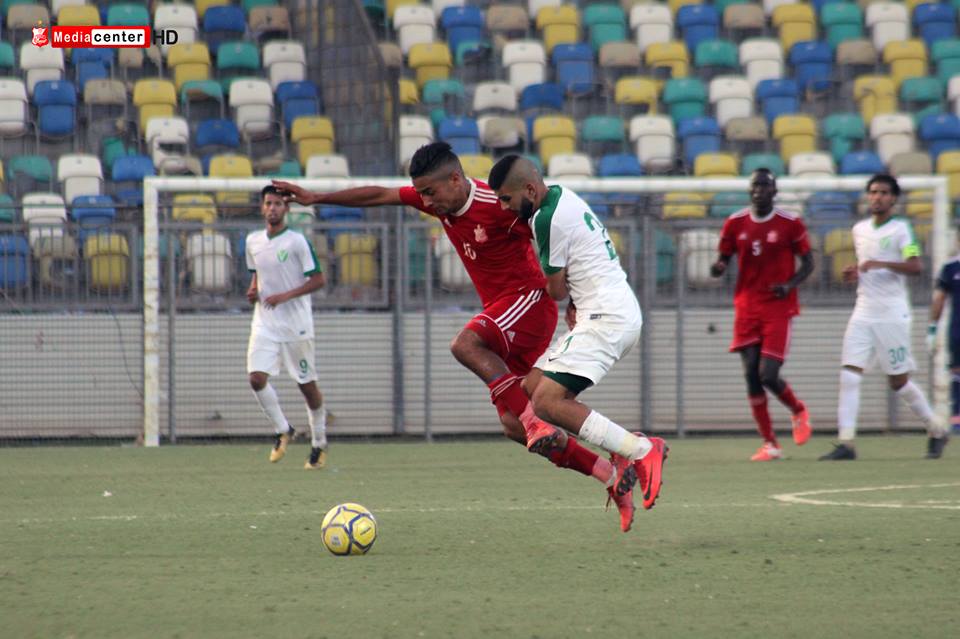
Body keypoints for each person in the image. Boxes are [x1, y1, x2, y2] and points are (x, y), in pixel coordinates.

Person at [272, 142, 638, 531]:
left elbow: (554, 237)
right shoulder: (437, 199)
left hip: (528, 301)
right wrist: (316, 197)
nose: (426, 201)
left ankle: (541, 424)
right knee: (513, 425)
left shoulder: (497, 206)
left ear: (455, 179)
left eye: (430, 192)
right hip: (503, 313)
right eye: (422, 193)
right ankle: (612, 476)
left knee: (466, 345)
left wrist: (575, 297)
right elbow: (380, 193)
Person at [487, 154, 668, 515]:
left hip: (607, 316)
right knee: (524, 397)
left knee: (547, 402)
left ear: (529, 189)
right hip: (607, 312)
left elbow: (554, 291)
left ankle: (642, 450)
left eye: (507, 199)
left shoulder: (544, 217)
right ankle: (616, 455)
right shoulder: (561, 195)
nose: (505, 208)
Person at [821, 174, 948, 461]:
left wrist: (880, 263)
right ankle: (847, 442)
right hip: (863, 310)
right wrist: (855, 273)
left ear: (893, 199)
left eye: (883, 193)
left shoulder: (902, 230)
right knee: (849, 374)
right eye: (873, 192)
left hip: (892, 313)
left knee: (898, 381)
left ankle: (936, 428)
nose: (877, 197)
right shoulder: (859, 229)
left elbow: (915, 266)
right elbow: (867, 270)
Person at [710, 169, 814, 461]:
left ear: (774, 191)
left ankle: (797, 409)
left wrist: (790, 285)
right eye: (755, 186)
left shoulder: (790, 224)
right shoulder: (735, 223)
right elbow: (723, 258)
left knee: (768, 374)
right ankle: (770, 444)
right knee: (751, 376)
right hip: (747, 304)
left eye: (765, 186)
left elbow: (808, 263)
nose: (759, 191)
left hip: (778, 305)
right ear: (749, 190)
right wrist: (717, 267)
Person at [246, 185, 329, 469]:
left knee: (307, 387)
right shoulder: (253, 241)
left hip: (296, 327)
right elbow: (257, 273)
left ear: (287, 209)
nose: (273, 208)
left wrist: (286, 295)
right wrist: (253, 288)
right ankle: (283, 429)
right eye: (268, 203)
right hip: (265, 323)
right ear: (262, 207)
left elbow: (318, 280)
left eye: (279, 204)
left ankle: (319, 442)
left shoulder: (297, 241)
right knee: (256, 378)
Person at [927, 232, 960, 436]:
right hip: (957, 331)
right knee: (957, 374)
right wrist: (932, 329)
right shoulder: (950, 268)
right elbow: (939, 299)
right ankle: (957, 420)